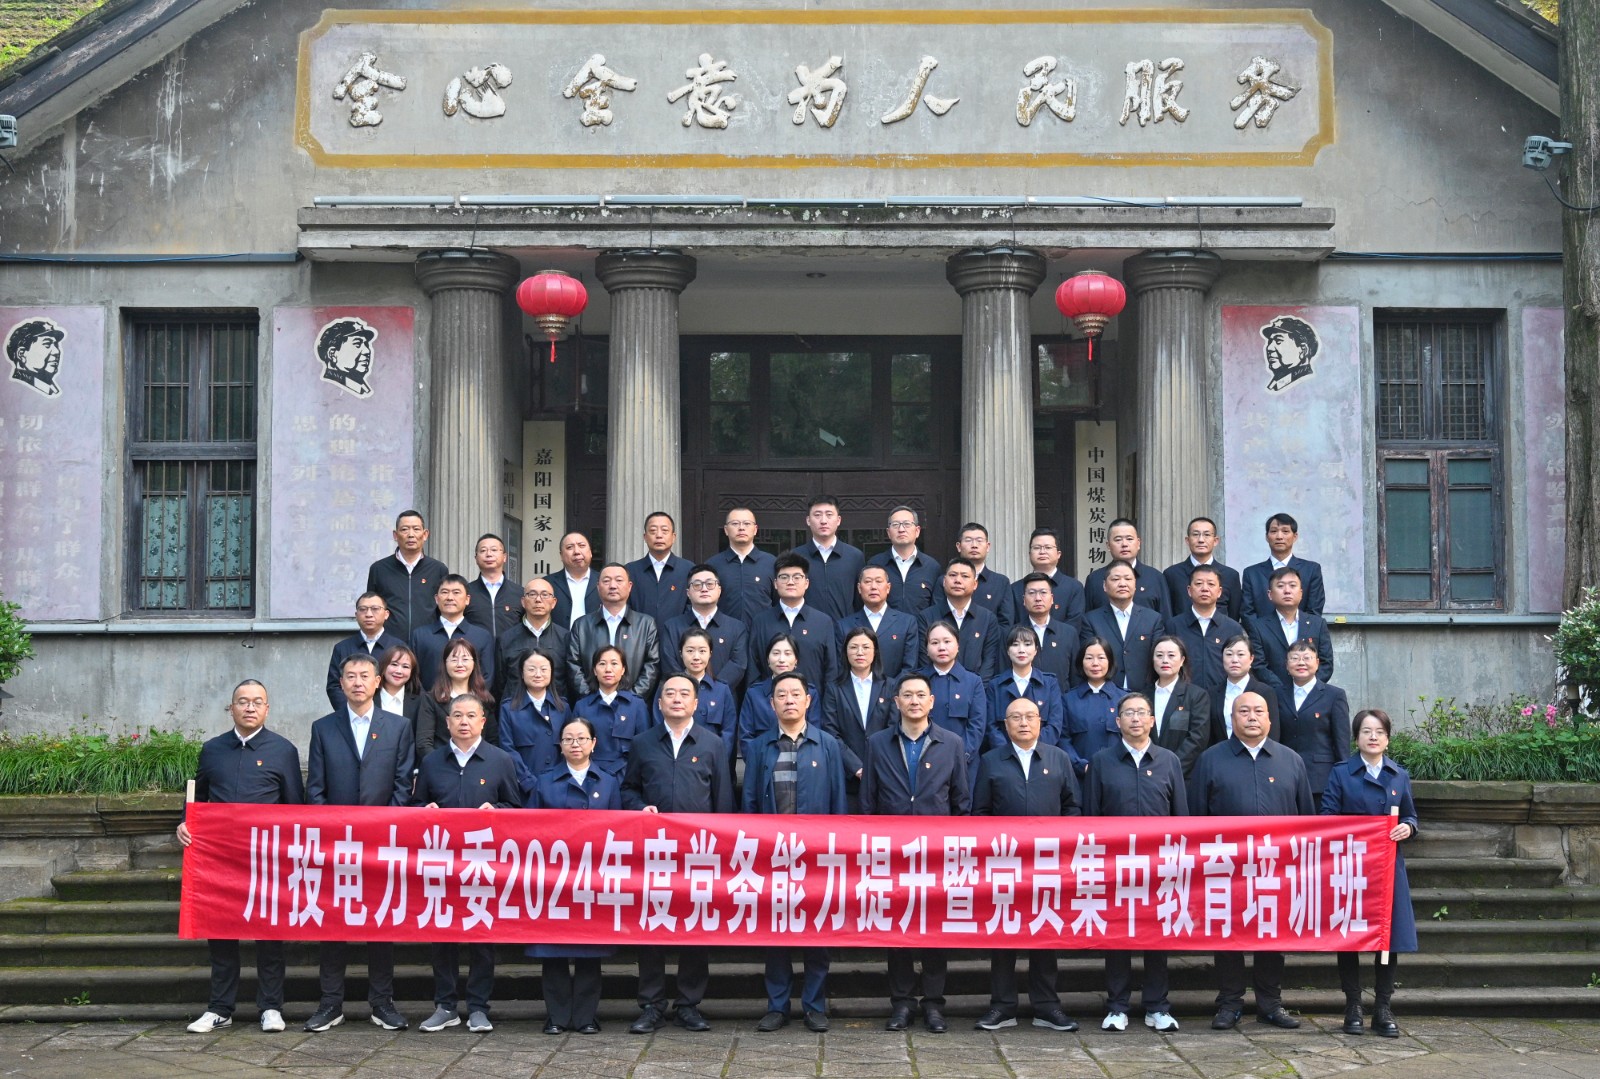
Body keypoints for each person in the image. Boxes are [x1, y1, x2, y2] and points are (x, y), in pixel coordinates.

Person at [179, 680, 304, 1034]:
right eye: (243, 701)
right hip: (220, 859)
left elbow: (295, 807)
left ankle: (271, 1007)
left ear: (267, 709)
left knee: (269, 935)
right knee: (220, 933)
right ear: (231, 707)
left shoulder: (283, 750)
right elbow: (198, 800)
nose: (250, 707)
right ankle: (220, 1008)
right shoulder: (212, 749)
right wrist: (185, 823)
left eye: (257, 702)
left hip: (266, 859)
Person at [1187, 691, 1315, 1031]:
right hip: (1225, 868)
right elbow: (1195, 817)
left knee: (1272, 935)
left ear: (1270, 719)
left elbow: (1306, 818)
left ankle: (1270, 1003)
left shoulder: (1290, 761)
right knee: (1227, 934)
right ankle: (1229, 1003)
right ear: (1232, 719)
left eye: (1259, 711)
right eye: (1244, 711)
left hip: (1277, 869)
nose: (1252, 717)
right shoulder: (1211, 760)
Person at [304, 654, 415, 1033]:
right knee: (333, 924)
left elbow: (402, 785)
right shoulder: (324, 728)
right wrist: (332, 831)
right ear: (341, 683)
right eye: (350, 676)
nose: (357, 682)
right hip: (335, 846)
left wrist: (383, 829)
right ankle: (330, 1003)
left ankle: (382, 1003)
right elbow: (315, 789)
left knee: (379, 925)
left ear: (378, 681)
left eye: (364, 676)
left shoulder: (398, 727)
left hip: (381, 845)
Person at [623, 674, 734, 1034]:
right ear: (659, 703)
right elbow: (628, 789)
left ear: (696, 703)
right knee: (651, 927)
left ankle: (688, 1004)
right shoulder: (642, 743)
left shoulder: (713, 744)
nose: (676, 698)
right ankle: (651, 1004)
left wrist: (720, 852)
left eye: (684, 693)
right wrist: (639, 807)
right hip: (653, 853)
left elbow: (722, 801)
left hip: (698, 854)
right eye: (669, 693)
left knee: (694, 929)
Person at [861, 673, 971, 1033]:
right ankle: (902, 1003)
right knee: (898, 930)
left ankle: (934, 1004)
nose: (914, 701)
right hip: (892, 854)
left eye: (921, 695)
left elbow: (961, 802)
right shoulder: (878, 743)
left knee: (935, 930)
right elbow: (868, 801)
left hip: (937, 855)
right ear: (896, 702)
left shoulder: (951, 743)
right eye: (907, 695)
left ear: (931, 701)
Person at [744, 672, 849, 1033]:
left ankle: (814, 1006)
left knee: (816, 932)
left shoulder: (827, 744)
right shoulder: (759, 746)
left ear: (808, 701)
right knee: (776, 933)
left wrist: (836, 850)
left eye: (795, 694)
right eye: (781, 695)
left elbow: (838, 800)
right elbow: (750, 802)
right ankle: (777, 1006)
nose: (789, 700)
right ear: (771, 704)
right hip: (772, 856)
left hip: (817, 856)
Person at [971, 698, 1082, 1033]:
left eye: (1030, 716)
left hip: (1048, 863)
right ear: (1005, 725)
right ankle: (1002, 1006)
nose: (1023, 723)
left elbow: (1072, 807)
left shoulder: (1058, 758)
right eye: (1016, 717)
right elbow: (980, 812)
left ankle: (1046, 1006)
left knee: (1044, 933)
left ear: (1040, 722)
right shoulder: (991, 761)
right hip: (1005, 863)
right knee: (1003, 936)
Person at [414, 694, 522, 1033]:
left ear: (482, 722)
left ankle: (478, 1007)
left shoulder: (500, 760)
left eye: (471, 715)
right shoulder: (432, 762)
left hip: (482, 864)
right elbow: (415, 805)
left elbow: (515, 808)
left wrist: (497, 811)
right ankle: (445, 1005)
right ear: (447, 723)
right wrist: (425, 811)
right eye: (457, 715)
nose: (464, 721)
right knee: (442, 935)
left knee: (481, 937)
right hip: (442, 863)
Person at [1082, 693, 1188, 1033]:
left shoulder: (1169, 760)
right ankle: (1117, 1006)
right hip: (1116, 865)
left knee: (1157, 936)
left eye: (1142, 712)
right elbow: (1091, 815)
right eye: (1129, 713)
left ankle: (1157, 1006)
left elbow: (1180, 816)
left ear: (1153, 720)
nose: (1136, 718)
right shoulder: (1102, 761)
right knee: (1118, 936)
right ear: (1118, 722)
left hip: (1159, 866)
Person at [1321, 708, 1417, 1039]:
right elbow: (1327, 815)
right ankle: (1352, 1005)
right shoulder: (1341, 773)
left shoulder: (1398, 775)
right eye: (1366, 731)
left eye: (1379, 732)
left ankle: (1383, 1007)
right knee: (1349, 936)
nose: (1373, 737)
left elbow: (1411, 816)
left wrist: (1408, 827)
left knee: (1388, 938)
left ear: (1387, 738)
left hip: (1388, 868)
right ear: (1356, 737)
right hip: (1351, 867)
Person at [526, 715, 621, 1036]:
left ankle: (585, 1017)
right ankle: (555, 1016)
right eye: (568, 739)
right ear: (560, 745)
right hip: (553, 878)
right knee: (553, 950)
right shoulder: (544, 782)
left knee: (588, 949)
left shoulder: (608, 782)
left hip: (593, 878)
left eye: (581, 738)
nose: (575, 744)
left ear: (594, 743)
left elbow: (618, 831)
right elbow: (530, 830)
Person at [823, 626, 895, 812]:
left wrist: (875, 766)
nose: (859, 652)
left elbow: (894, 728)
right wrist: (856, 767)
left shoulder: (890, 686)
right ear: (845, 652)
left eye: (866, 647)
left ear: (875, 651)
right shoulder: (834, 688)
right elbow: (830, 731)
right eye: (853, 647)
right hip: (847, 777)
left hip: (884, 774)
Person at [566, 562, 660, 698]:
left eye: (619, 580)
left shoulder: (646, 624)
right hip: (591, 703)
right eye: (606, 581)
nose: (613, 586)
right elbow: (573, 665)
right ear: (598, 587)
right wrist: (592, 699)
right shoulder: (581, 625)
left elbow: (652, 665)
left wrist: (630, 700)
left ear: (629, 586)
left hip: (633, 704)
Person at [746, 553, 838, 691]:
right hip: (770, 701)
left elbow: (831, 670)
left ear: (806, 583)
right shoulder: (761, 621)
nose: (790, 582)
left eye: (797, 577)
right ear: (775, 583)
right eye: (784, 577)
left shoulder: (823, 622)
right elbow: (753, 669)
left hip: (813, 701)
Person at [660, 563, 749, 701]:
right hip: (682, 700)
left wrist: (714, 691)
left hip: (722, 701)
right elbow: (669, 664)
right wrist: (689, 690)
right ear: (688, 593)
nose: (704, 589)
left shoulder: (736, 627)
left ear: (719, 590)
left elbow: (738, 664)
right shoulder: (672, 627)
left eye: (710, 584)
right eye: (697, 585)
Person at [1275, 640, 1352, 798]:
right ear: (1287, 665)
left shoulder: (1334, 695)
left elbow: (1341, 742)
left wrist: (1344, 779)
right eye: (1295, 658)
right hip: (1284, 775)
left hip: (1321, 778)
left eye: (1307, 658)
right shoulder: (1276, 694)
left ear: (1317, 663)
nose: (1301, 662)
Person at [409, 574, 497, 705]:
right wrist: (428, 703)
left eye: (456, 592)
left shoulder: (482, 636)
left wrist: (468, 704)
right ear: (436, 598)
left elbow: (487, 676)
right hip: (428, 707)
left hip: (470, 708)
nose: (450, 597)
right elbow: (413, 675)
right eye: (444, 592)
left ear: (467, 599)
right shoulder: (420, 635)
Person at [657, 627, 738, 767]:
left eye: (702, 651)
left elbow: (728, 732)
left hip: (710, 763)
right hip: (673, 762)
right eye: (690, 651)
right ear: (680, 653)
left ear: (710, 653)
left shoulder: (721, 690)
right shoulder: (667, 687)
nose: (696, 657)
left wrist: (717, 761)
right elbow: (658, 726)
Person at [1164, 565, 1247, 701]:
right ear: (1189, 590)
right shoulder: (1173, 625)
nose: (1204, 588)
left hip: (1222, 699)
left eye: (1211, 584)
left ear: (1219, 592)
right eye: (1198, 584)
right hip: (1182, 698)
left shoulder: (1233, 628)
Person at [922, 620, 989, 787]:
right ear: (927, 649)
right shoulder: (918, 681)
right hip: (924, 762)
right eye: (934, 643)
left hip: (964, 764)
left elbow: (977, 725)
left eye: (947, 641)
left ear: (958, 646)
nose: (941, 647)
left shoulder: (973, 681)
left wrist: (960, 757)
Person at [1082, 560, 1164, 696]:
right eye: (1115, 579)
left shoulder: (1153, 619)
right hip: (1105, 694)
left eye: (1128, 579)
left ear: (1135, 585)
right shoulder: (1090, 620)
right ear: (1104, 586)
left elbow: (1158, 657)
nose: (1122, 584)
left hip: (1145, 694)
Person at [739, 634, 825, 763]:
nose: (781, 659)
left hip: (803, 764)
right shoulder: (754, 694)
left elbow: (815, 734)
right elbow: (746, 737)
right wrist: (758, 763)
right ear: (768, 659)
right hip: (764, 764)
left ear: (796, 660)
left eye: (787, 653)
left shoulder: (810, 692)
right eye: (776, 653)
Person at [365, 510, 449, 640]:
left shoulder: (438, 569)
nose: (411, 535)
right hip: (390, 643)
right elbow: (371, 607)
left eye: (416, 529)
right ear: (395, 535)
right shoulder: (379, 569)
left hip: (428, 642)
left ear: (425, 534)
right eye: (404, 529)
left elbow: (445, 609)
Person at [1247, 567, 1335, 690]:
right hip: (1274, 693)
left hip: (1311, 694)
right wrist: (1282, 691)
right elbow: (1259, 665)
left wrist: (1308, 687)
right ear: (1270, 594)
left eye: (1292, 585)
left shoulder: (1317, 624)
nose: (1287, 591)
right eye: (1280, 586)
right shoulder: (1258, 626)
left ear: (1301, 593)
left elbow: (1326, 663)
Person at [571, 645, 652, 778]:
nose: (608, 669)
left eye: (614, 664)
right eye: (602, 664)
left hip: (627, 777)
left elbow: (645, 748)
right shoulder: (582, 706)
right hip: (591, 776)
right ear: (595, 670)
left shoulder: (637, 705)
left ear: (623, 670)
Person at [497, 650, 570, 796]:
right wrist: (528, 781)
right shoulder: (509, 709)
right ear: (522, 673)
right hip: (523, 788)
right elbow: (507, 749)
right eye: (531, 669)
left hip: (558, 788)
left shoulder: (563, 708)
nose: (538, 674)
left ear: (551, 673)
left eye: (544, 669)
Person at [919, 557, 1004, 678]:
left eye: (965, 576)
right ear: (944, 582)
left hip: (977, 688)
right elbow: (924, 659)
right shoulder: (926, 617)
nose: (958, 580)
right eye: (953, 575)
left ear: (975, 584)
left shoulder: (988, 619)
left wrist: (977, 687)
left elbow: (989, 661)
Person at [834, 564, 920, 681]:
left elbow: (910, 667)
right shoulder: (844, 625)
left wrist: (891, 688)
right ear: (859, 588)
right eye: (868, 582)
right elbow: (841, 666)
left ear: (888, 587)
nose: (873, 587)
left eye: (879, 581)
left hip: (895, 690)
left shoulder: (907, 622)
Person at [415, 637, 497, 758]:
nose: (459, 664)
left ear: (474, 663)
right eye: (454, 660)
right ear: (445, 664)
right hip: (441, 764)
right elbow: (424, 743)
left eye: (465, 659)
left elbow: (493, 740)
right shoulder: (431, 699)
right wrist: (440, 765)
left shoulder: (484, 699)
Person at [988, 624, 1065, 749]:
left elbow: (1054, 725)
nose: (1021, 650)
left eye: (1027, 644)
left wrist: (1033, 750)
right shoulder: (996, 685)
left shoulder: (1050, 684)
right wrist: (1010, 753)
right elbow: (991, 727)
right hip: (1004, 756)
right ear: (1008, 651)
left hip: (1041, 754)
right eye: (1015, 644)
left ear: (1036, 650)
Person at [789, 496, 865, 621]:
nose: (823, 521)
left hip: (845, 629)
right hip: (805, 627)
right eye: (817, 515)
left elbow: (860, 599)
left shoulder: (854, 556)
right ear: (808, 520)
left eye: (829, 515)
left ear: (838, 520)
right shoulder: (795, 557)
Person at [325, 592, 405, 712]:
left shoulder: (399, 647)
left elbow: (408, 684)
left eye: (375, 609)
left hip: (390, 714)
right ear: (356, 615)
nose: (368, 614)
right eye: (363, 609)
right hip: (353, 715)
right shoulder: (342, 648)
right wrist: (352, 712)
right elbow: (334, 686)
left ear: (386, 614)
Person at [495, 577, 570, 702]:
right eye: (532, 594)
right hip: (515, 709)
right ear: (523, 602)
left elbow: (569, 680)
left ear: (554, 602)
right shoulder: (506, 639)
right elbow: (500, 683)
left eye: (545, 595)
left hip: (556, 708)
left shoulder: (566, 637)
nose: (538, 600)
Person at [1241, 512, 1326, 620]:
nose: (1279, 536)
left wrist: (1294, 630)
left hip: (1301, 631)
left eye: (1285, 531)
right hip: (1260, 631)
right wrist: (1263, 630)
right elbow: (1247, 613)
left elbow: (1314, 611)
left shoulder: (1311, 570)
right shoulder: (1251, 573)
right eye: (1274, 531)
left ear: (1295, 536)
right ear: (1267, 537)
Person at [1148, 635, 1212, 776]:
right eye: (1159, 655)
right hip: (1147, 773)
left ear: (1182, 660)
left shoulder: (1196, 696)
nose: (1165, 660)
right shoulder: (1143, 696)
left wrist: (1171, 768)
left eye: (1171, 655)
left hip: (1181, 775)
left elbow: (1197, 738)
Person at [1062, 637, 1126, 775]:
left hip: (1119, 774)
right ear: (1081, 662)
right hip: (1080, 776)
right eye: (1089, 658)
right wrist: (1080, 765)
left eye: (1101, 658)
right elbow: (1063, 739)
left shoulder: (1124, 699)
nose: (1095, 663)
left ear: (1110, 661)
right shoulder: (1069, 699)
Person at [1163, 517, 1244, 622]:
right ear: (1187, 540)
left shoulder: (1230, 575)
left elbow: (1234, 615)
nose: (1201, 540)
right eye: (1195, 534)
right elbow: (1168, 613)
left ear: (1215, 541)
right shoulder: (1172, 574)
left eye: (1207, 535)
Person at [707, 507, 777, 625]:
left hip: (763, 632)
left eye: (747, 523)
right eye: (735, 523)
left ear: (755, 529)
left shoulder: (771, 563)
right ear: (726, 530)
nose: (741, 528)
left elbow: (779, 602)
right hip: (724, 632)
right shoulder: (713, 565)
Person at [1084, 519, 1168, 617]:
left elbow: (1166, 619)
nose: (1124, 544)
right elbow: (1087, 619)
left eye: (1129, 539)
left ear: (1138, 543)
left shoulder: (1155, 577)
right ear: (1108, 545)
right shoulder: (1094, 579)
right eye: (1118, 540)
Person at [866, 505, 941, 614]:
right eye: (895, 525)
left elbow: (937, 609)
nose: (901, 529)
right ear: (888, 532)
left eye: (907, 524)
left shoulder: (931, 567)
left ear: (917, 531)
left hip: (921, 625)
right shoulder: (875, 564)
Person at [1015, 571, 1083, 688]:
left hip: (1061, 698)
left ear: (1052, 598)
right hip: (1023, 698)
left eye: (1043, 592)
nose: (1038, 598)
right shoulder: (1012, 633)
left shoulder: (1068, 633)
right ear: (1024, 600)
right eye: (1032, 593)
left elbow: (1076, 676)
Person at [1011, 529, 1087, 627]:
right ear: (1029, 554)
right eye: (1037, 548)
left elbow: (1074, 625)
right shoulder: (1015, 588)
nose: (1042, 552)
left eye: (1048, 547)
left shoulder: (1074, 587)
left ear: (1058, 554)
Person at [626, 511, 691, 622]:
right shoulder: (630, 570)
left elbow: (693, 607)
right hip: (639, 632)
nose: (659, 535)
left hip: (678, 632)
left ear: (673, 537)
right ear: (645, 537)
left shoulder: (688, 569)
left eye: (665, 531)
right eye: (653, 531)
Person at [1213, 634, 1280, 742]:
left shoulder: (1265, 692)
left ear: (1251, 658)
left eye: (1240, 654)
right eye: (1229, 654)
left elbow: (1273, 734)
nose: (1234, 660)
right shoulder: (1212, 693)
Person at [954, 522, 1015, 628]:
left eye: (979, 540)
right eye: (968, 540)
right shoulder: (947, 581)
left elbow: (1005, 624)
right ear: (959, 546)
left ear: (987, 546)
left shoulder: (1001, 582)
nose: (974, 545)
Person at [464, 533, 520, 638]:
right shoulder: (465, 593)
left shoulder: (520, 593)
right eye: (483, 550)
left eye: (494, 550)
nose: (489, 554)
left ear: (504, 557)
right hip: (476, 648)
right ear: (476, 558)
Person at [547, 531, 599, 628]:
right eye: (570, 547)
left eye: (581, 546)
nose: (577, 552)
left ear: (590, 552)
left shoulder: (603, 582)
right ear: (561, 555)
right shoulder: (547, 584)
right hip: (560, 637)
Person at [316, 317, 375, 396]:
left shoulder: (361, 388)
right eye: (357, 344)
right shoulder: (331, 390)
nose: (367, 351)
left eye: (366, 344)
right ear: (332, 354)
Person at [5, 318, 64, 396]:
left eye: (56, 345)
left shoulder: (51, 390)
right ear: (21, 354)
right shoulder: (17, 390)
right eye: (47, 344)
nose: (56, 352)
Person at [1261, 314, 1318, 393]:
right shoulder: (1276, 385)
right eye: (1270, 341)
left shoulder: (1306, 385)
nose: (1269, 348)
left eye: (1278, 341)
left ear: (1303, 350)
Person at [375, 644, 424, 729]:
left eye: (405, 666)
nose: (399, 671)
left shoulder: (421, 702)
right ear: (383, 666)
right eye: (394, 664)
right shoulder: (369, 698)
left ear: (411, 672)